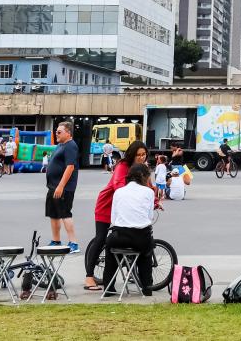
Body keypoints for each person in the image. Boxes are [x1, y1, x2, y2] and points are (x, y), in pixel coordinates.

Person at [84, 140, 148, 291]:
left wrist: (155, 201)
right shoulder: (122, 166)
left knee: (132, 235)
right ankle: (89, 277)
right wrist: (133, 195)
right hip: (107, 205)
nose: (141, 158)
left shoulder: (142, 168)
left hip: (124, 208)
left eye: (144, 154)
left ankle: (131, 272)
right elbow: (117, 185)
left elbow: (148, 186)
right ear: (132, 154)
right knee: (100, 239)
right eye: (138, 155)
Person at [102, 162, 159, 296]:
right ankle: (146, 287)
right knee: (146, 255)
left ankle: (109, 287)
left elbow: (113, 220)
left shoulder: (119, 192)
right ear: (144, 177)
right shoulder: (149, 192)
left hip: (120, 236)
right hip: (140, 236)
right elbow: (149, 217)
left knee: (110, 253)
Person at [46, 121, 80, 252]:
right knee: (53, 214)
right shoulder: (60, 145)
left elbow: (70, 167)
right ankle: (56, 241)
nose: (57, 133)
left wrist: (61, 186)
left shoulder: (70, 146)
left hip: (64, 188)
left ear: (68, 133)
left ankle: (73, 243)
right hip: (53, 186)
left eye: (59, 132)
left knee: (65, 213)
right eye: (56, 132)